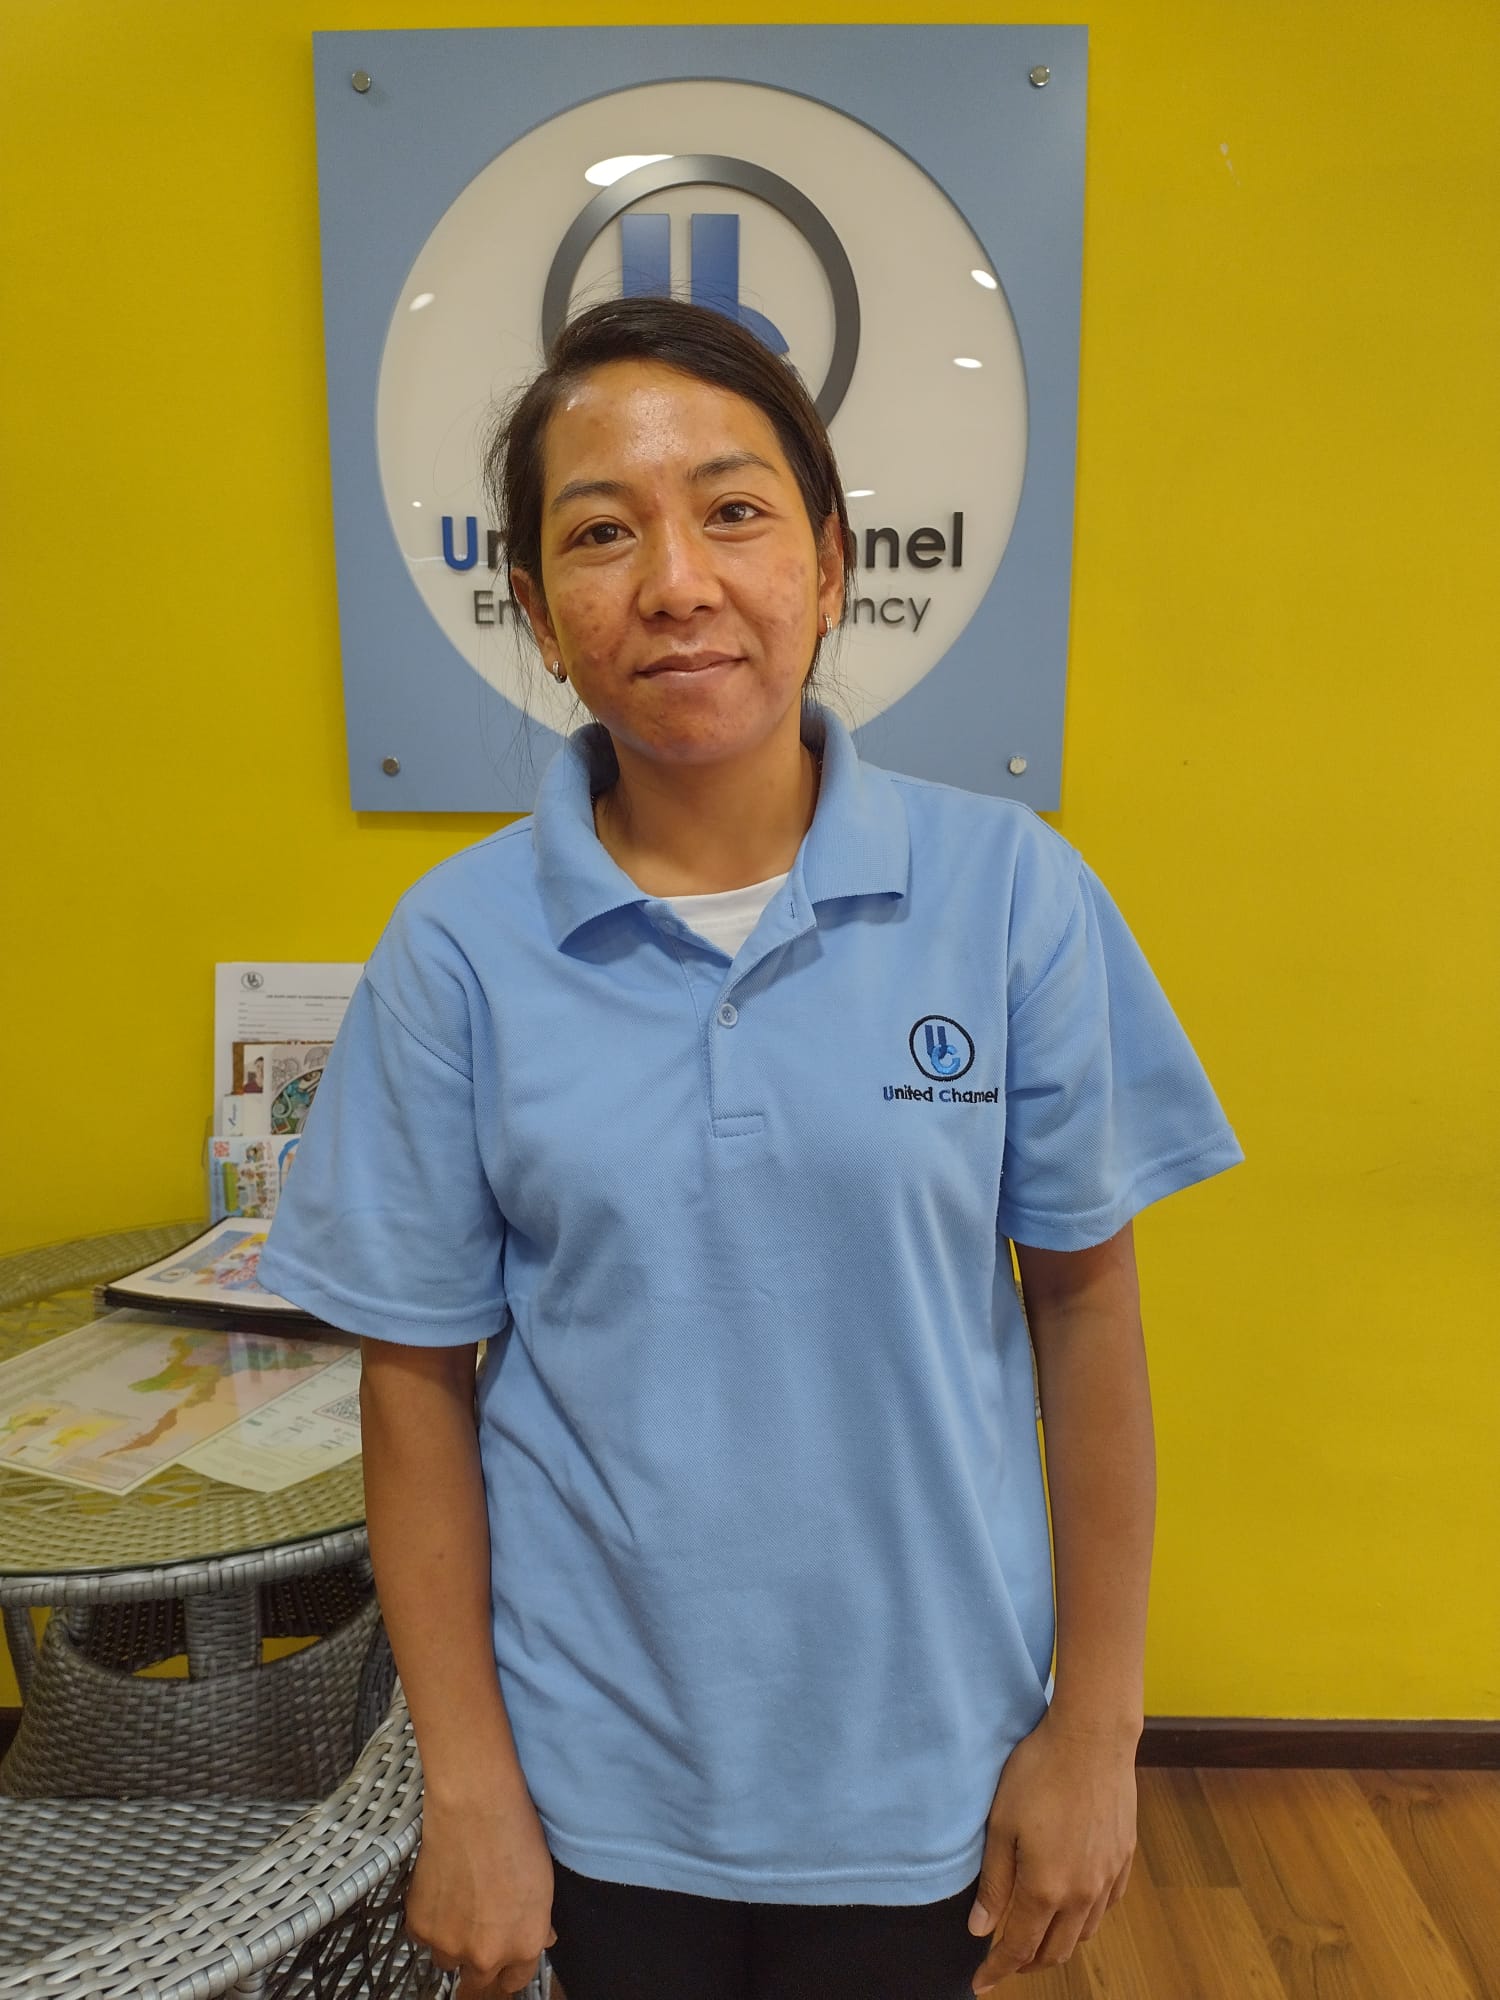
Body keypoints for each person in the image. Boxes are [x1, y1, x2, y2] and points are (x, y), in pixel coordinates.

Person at [260, 296, 1243, 2000]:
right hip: (593, 1773)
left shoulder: (1010, 896)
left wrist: (1098, 1728)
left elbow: (1088, 1314)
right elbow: (415, 1381)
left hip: (923, 1764)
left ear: (832, 562)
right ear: (537, 613)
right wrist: (469, 1787)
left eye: (732, 511)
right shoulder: (460, 945)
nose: (676, 582)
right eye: (600, 533)